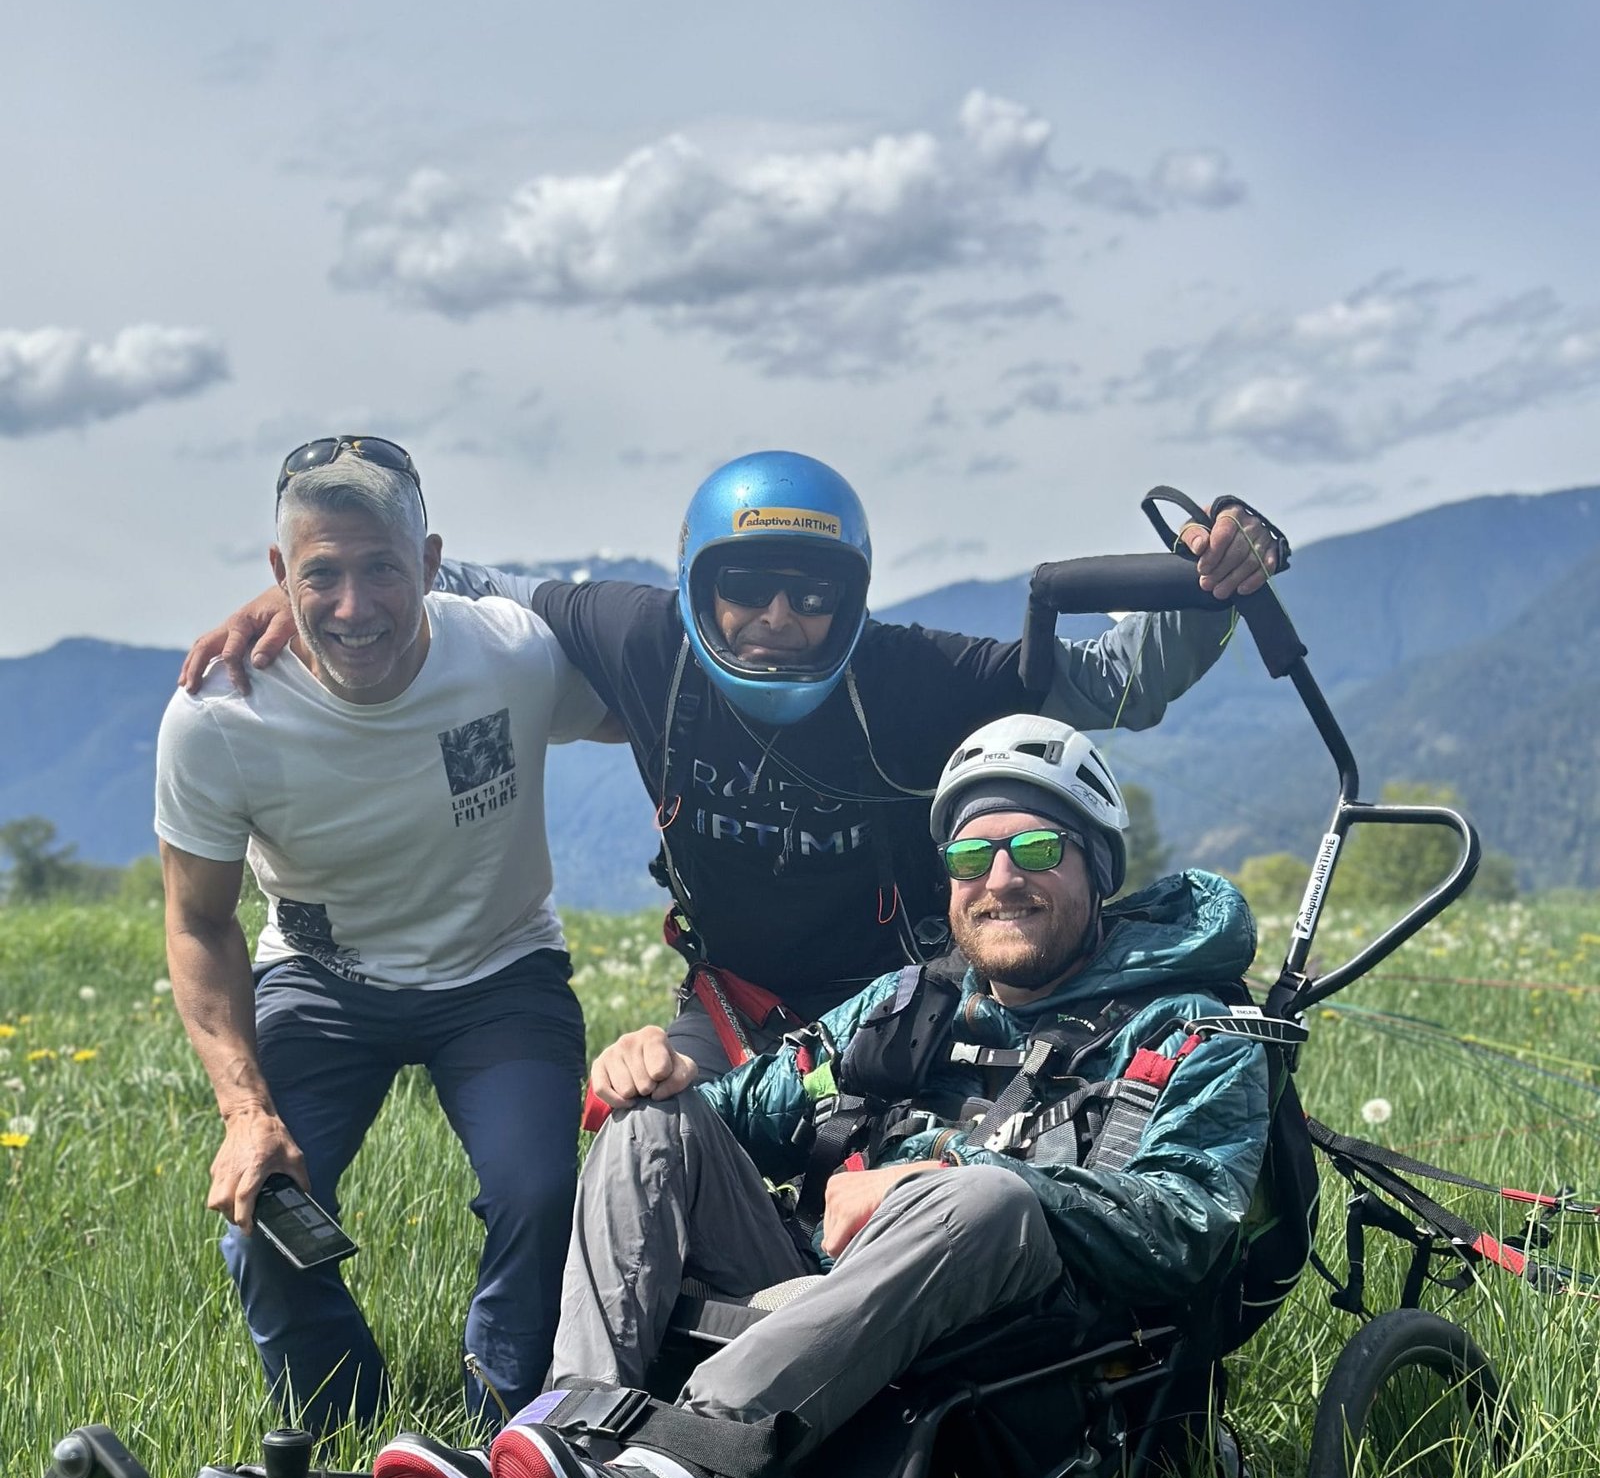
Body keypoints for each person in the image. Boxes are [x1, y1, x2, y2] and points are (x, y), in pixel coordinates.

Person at [370, 713, 1273, 1478]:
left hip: (1031, 1347)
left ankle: (675, 1466)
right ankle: (572, 1441)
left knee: (985, 1199)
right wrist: (657, 1070)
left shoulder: (1194, 1029)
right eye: (972, 855)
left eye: (1037, 848)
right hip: (826, 1299)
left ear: (1098, 867)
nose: (1001, 879)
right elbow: (726, 1115)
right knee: (652, 1125)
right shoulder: (907, 1004)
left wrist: (940, 1175)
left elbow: (1189, 1223)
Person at [180, 452, 1287, 1078]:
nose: (777, 617)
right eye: (744, 587)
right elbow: (462, 578)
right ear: (696, 589)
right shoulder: (642, 642)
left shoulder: (911, 676)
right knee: (644, 1146)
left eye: (813, 592)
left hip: (908, 1007)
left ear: (853, 598)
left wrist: (1218, 580)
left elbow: (1115, 685)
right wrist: (318, 594)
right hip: (729, 1007)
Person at [156, 436, 615, 1434]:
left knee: (539, 1195)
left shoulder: (509, 651)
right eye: (321, 574)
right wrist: (244, 1111)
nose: (353, 606)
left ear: (432, 562)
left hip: (500, 973)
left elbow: (648, 703)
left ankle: (505, 1436)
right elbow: (196, 920)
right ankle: (344, 1428)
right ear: (278, 572)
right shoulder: (217, 716)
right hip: (320, 980)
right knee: (261, 1215)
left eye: (383, 569)